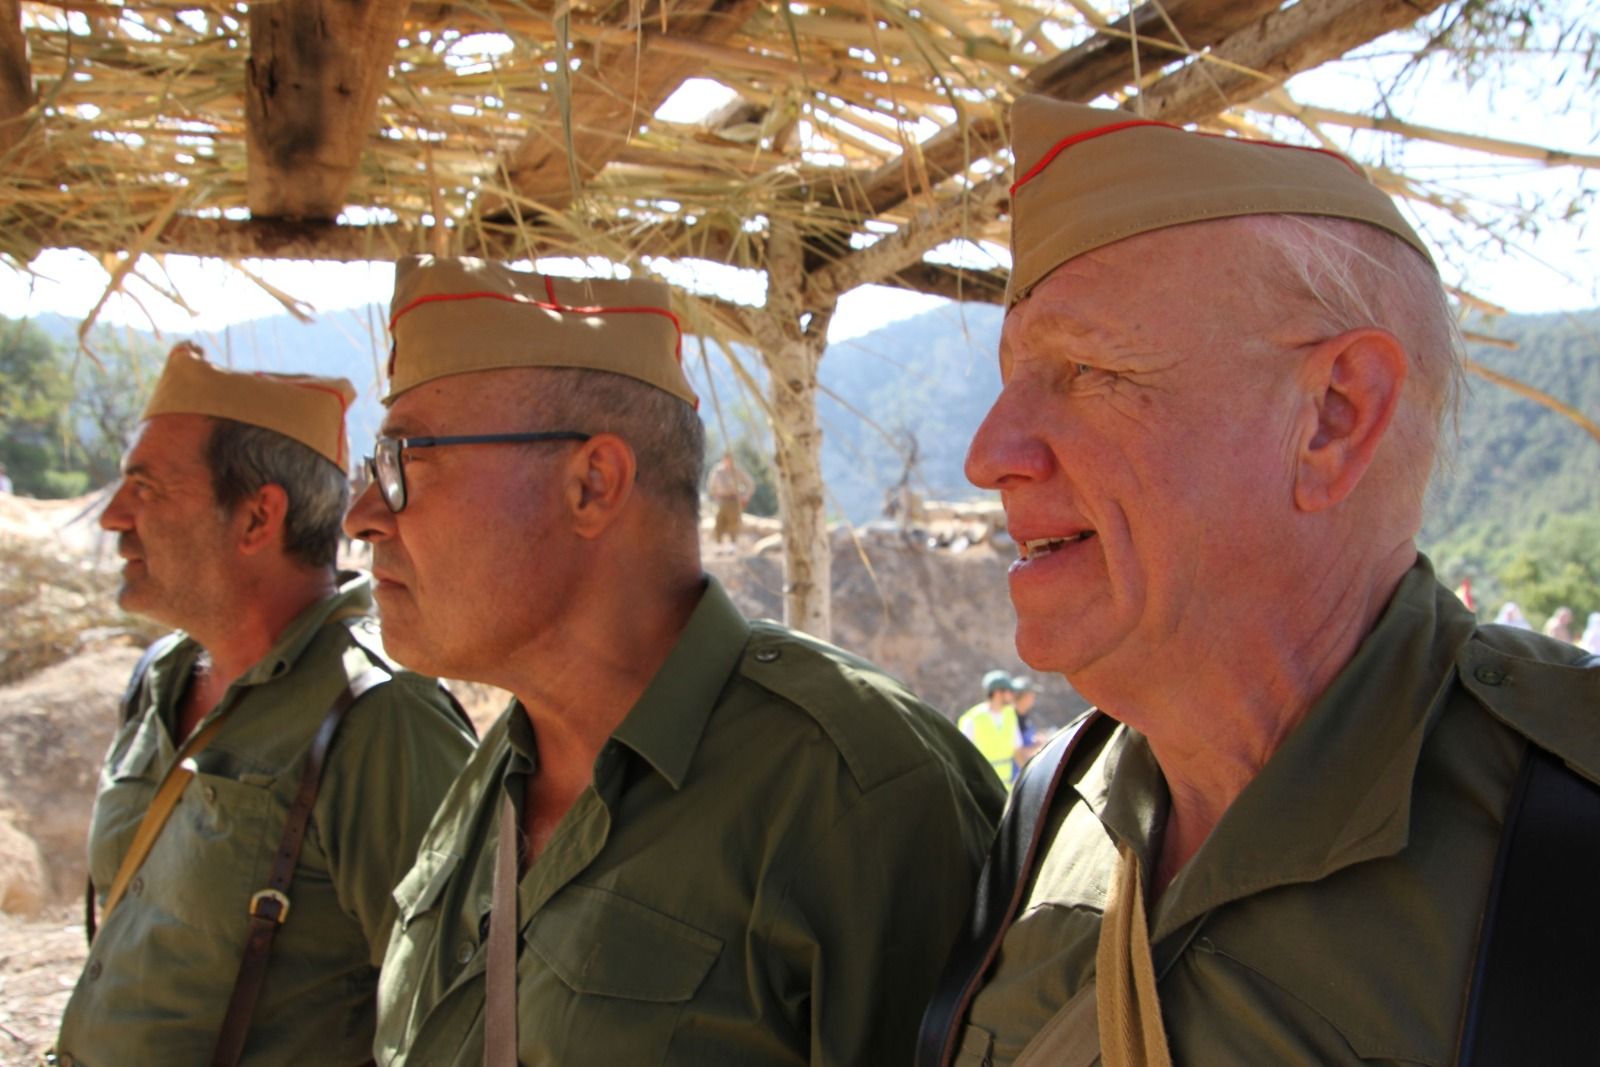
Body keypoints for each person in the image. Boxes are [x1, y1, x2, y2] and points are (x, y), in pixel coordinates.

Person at [919, 97, 1600, 1067]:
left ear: (1331, 416)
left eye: (1089, 369)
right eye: (1011, 378)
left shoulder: (1566, 823)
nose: (988, 454)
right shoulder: (1044, 810)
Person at [344, 256, 1005, 1067]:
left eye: (404, 463)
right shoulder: (494, 780)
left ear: (592, 483)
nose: (363, 515)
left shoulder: (859, 795)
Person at [55, 344, 475, 1067]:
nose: (115, 517)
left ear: (257, 517)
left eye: (147, 488)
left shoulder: (380, 714)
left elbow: (458, 1012)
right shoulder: (161, 677)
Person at [958, 669, 1022, 787]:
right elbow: (962, 756)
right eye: (1009, 691)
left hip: (1005, 789)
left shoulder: (1010, 715)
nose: (1013, 695)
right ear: (997, 693)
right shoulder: (973, 719)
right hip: (983, 789)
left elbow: (1017, 750)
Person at [706, 450, 755, 545]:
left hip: (734, 500)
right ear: (723, 459)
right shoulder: (717, 471)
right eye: (726, 459)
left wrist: (745, 496)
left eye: (730, 459)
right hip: (720, 501)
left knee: (734, 523)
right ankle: (718, 544)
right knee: (718, 522)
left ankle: (732, 545)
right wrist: (714, 496)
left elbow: (750, 484)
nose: (728, 461)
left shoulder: (737, 471)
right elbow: (710, 486)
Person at [1009, 675, 1047, 766]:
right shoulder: (1010, 718)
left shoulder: (1023, 716)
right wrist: (1038, 747)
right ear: (1024, 696)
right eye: (1032, 695)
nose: (1034, 698)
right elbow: (1015, 752)